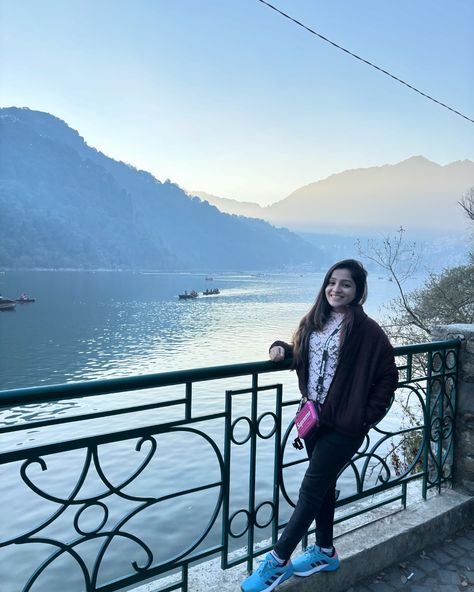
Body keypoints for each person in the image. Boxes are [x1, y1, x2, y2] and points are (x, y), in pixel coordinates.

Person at [241, 259, 398, 592]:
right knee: (323, 486)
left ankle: (278, 561)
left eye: (345, 284)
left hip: (345, 426)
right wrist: (280, 349)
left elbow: (388, 375)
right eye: (332, 282)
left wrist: (366, 416)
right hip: (314, 420)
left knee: (311, 489)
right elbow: (301, 353)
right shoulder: (315, 320)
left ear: (357, 291)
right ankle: (325, 551)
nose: (336, 289)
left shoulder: (367, 330)